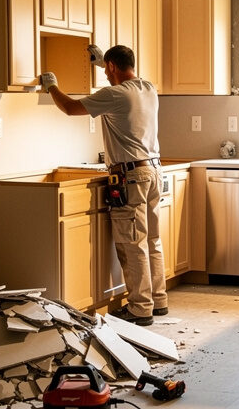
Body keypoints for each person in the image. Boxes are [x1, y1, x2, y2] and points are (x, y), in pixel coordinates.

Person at [40, 44, 167, 326]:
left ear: (111, 67)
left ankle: (140, 309)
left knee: (133, 244)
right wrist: (102, 64)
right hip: (154, 171)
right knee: (152, 241)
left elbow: (71, 108)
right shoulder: (148, 87)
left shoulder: (114, 94)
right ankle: (158, 301)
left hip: (132, 177)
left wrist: (52, 86)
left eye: (107, 69)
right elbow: (127, 76)